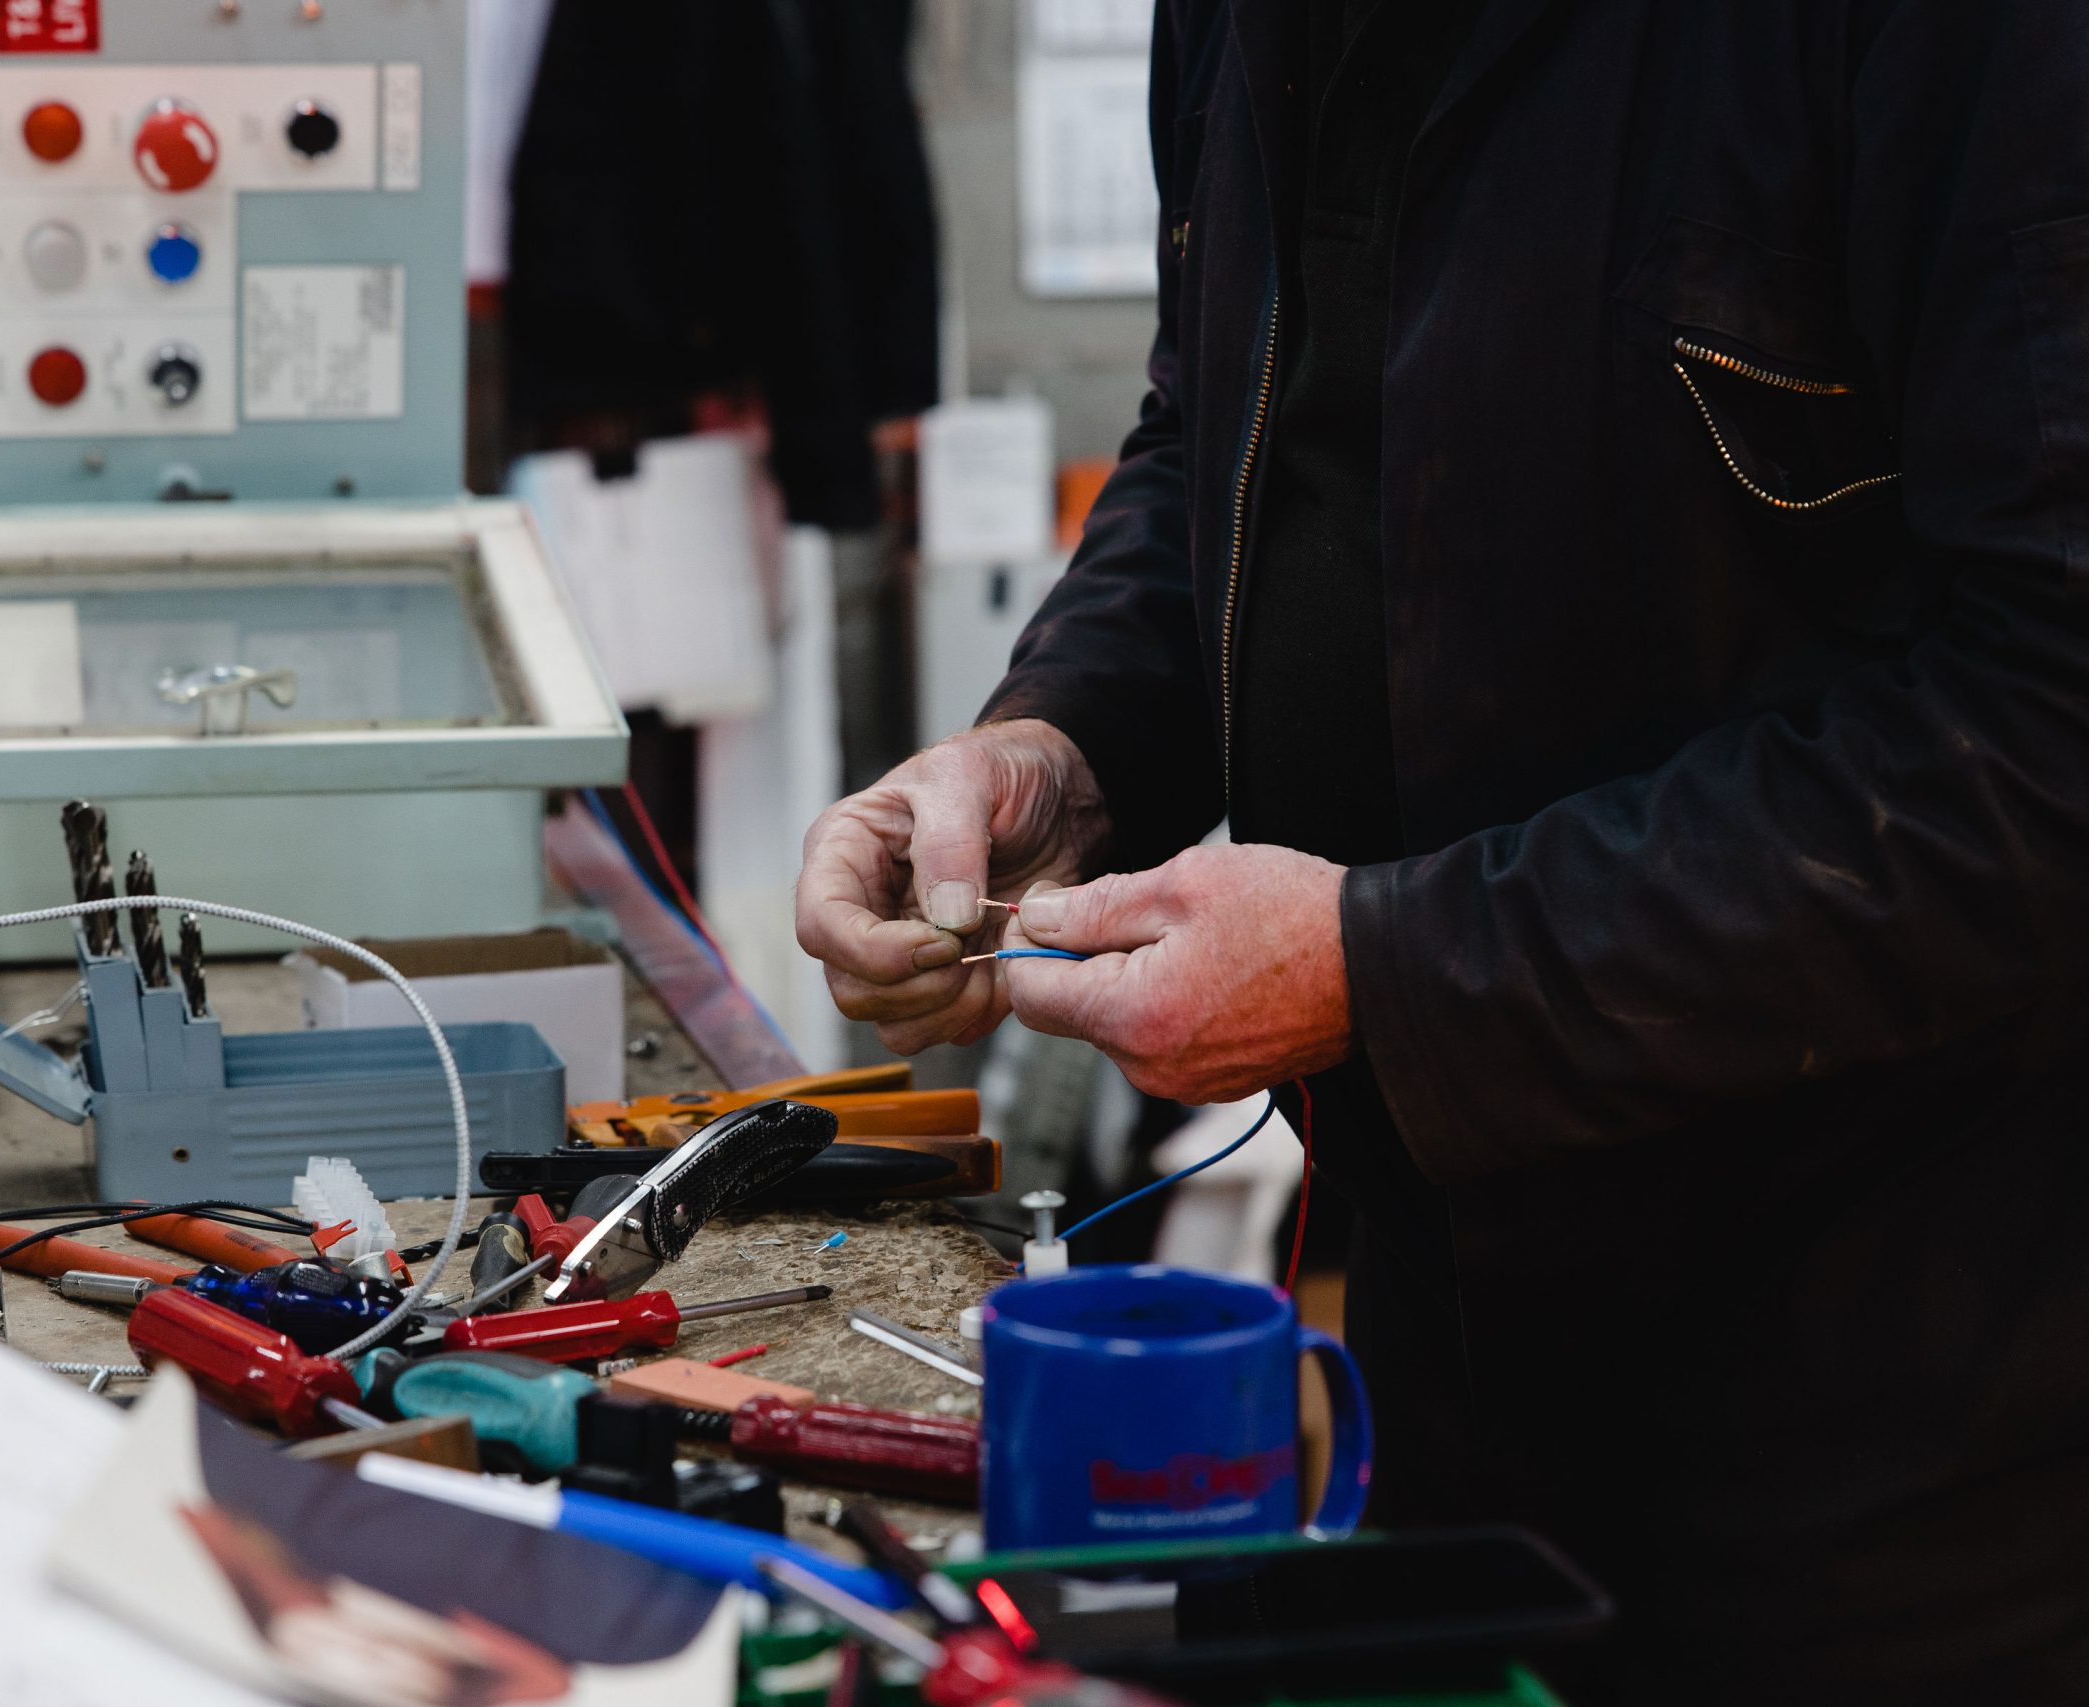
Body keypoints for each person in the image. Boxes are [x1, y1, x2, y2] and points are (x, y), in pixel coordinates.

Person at [794, 1, 2089, 1699]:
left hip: (1891, 1427)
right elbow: (1236, 436)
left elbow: (2048, 720)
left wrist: (1395, 969)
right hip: (1453, 1349)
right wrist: (1055, 747)